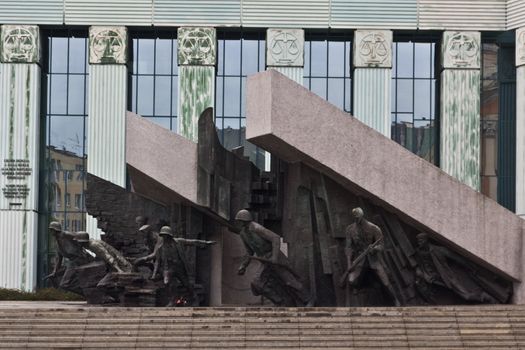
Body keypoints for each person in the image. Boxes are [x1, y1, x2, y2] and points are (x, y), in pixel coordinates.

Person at [235, 209, 311, 306]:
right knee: (257, 283)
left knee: (289, 281)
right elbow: (249, 252)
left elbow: (275, 238)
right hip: (265, 261)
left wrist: (275, 257)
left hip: (274, 256)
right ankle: (282, 302)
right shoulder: (243, 234)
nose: (238, 222)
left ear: (244, 220)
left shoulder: (257, 228)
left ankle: (308, 299)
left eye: (239, 220)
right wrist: (243, 266)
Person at [133, 226, 214, 306]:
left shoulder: (178, 242)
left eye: (166, 236)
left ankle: (194, 297)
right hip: (168, 268)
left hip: (179, 267)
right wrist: (154, 274)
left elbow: (191, 242)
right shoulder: (160, 248)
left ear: (169, 236)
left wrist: (205, 243)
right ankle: (172, 300)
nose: (165, 238)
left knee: (186, 284)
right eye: (163, 236)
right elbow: (157, 261)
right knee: (166, 282)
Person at [414, 232, 497, 304]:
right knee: (421, 281)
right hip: (433, 279)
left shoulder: (439, 250)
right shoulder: (419, 252)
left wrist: (470, 267)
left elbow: (457, 259)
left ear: (426, 240)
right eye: (418, 241)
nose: (419, 243)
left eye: (421, 241)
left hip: (448, 277)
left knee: (466, 296)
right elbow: (422, 265)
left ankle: (484, 296)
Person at [343, 207, 400, 306]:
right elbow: (348, 247)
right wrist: (349, 264)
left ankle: (395, 300)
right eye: (355, 217)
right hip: (359, 259)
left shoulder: (374, 228)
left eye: (358, 217)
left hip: (373, 259)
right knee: (351, 280)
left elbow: (381, 246)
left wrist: (374, 248)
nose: (357, 219)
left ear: (362, 216)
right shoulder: (350, 229)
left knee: (385, 282)